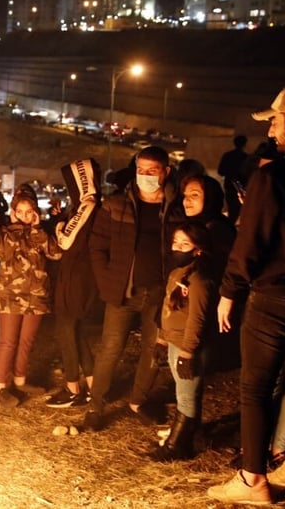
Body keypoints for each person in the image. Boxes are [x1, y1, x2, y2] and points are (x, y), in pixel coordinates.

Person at [208, 86, 285, 504]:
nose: (271, 130)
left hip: (275, 297)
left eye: (275, 121)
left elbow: (249, 243)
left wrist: (229, 290)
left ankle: (252, 478)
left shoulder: (274, 176)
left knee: (255, 387)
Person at [83, 145, 181, 432]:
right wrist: (108, 280)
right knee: (110, 349)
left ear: (166, 172)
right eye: (141, 170)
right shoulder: (116, 204)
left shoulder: (176, 208)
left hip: (160, 294)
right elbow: (97, 246)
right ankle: (95, 406)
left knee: (153, 350)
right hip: (123, 293)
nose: (146, 176)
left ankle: (138, 402)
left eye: (152, 171)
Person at [151, 222, 219, 461]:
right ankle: (191, 438)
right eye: (175, 243)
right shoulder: (176, 274)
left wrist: (188, 353)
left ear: (198, 250)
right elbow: (167, 310)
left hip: (187, 347)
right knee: (186, 393)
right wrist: (161, 339)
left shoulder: (200, 280)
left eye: (185, 244)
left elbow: (197, 320)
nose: (178, 248)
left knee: (187, 396)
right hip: (174, 342)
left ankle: (175, 447)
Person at [0, 189, 61, 407]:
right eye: (20, 211)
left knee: (26, 341)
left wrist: (37, 229)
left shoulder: (40, 232)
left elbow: (55, 253)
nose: (24, 216)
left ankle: (20, 380)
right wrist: (14, 228)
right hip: (9, 295)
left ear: (35, 213)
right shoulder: (5, 232)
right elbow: (1, 254)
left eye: (29, 211)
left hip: (36, 295)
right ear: (13, 212)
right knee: (7, 341)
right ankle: (0, 387)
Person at [47, 159, 102, 408]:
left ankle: (72, 388)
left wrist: (59, 225)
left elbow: (65, 240)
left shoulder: (87, 204)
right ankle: (93, 387)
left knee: (66, 330)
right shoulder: (94, 205)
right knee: (76, 332)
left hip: (76, 277)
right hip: (82, 276)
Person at [217, 134, 249, 223]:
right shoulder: (246, 158)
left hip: (229, 186)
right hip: (242, 187)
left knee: (232, 211)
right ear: (245, 144)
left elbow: (220, 171)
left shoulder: (228, 156)